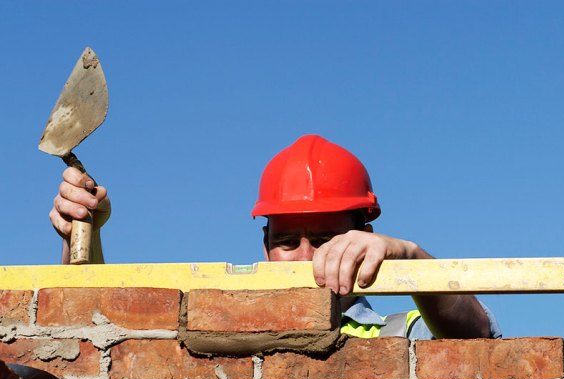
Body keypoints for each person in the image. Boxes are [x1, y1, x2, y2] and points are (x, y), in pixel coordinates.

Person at [49, 134, 500, 339]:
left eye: (325, 240)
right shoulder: (225, 332)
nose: (305, 259)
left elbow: (476, 340)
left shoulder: (399, 334)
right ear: (265, 247)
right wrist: (83, 234)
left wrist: (410, 257)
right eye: (287, 242)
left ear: (366, 240)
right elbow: (96, 341)